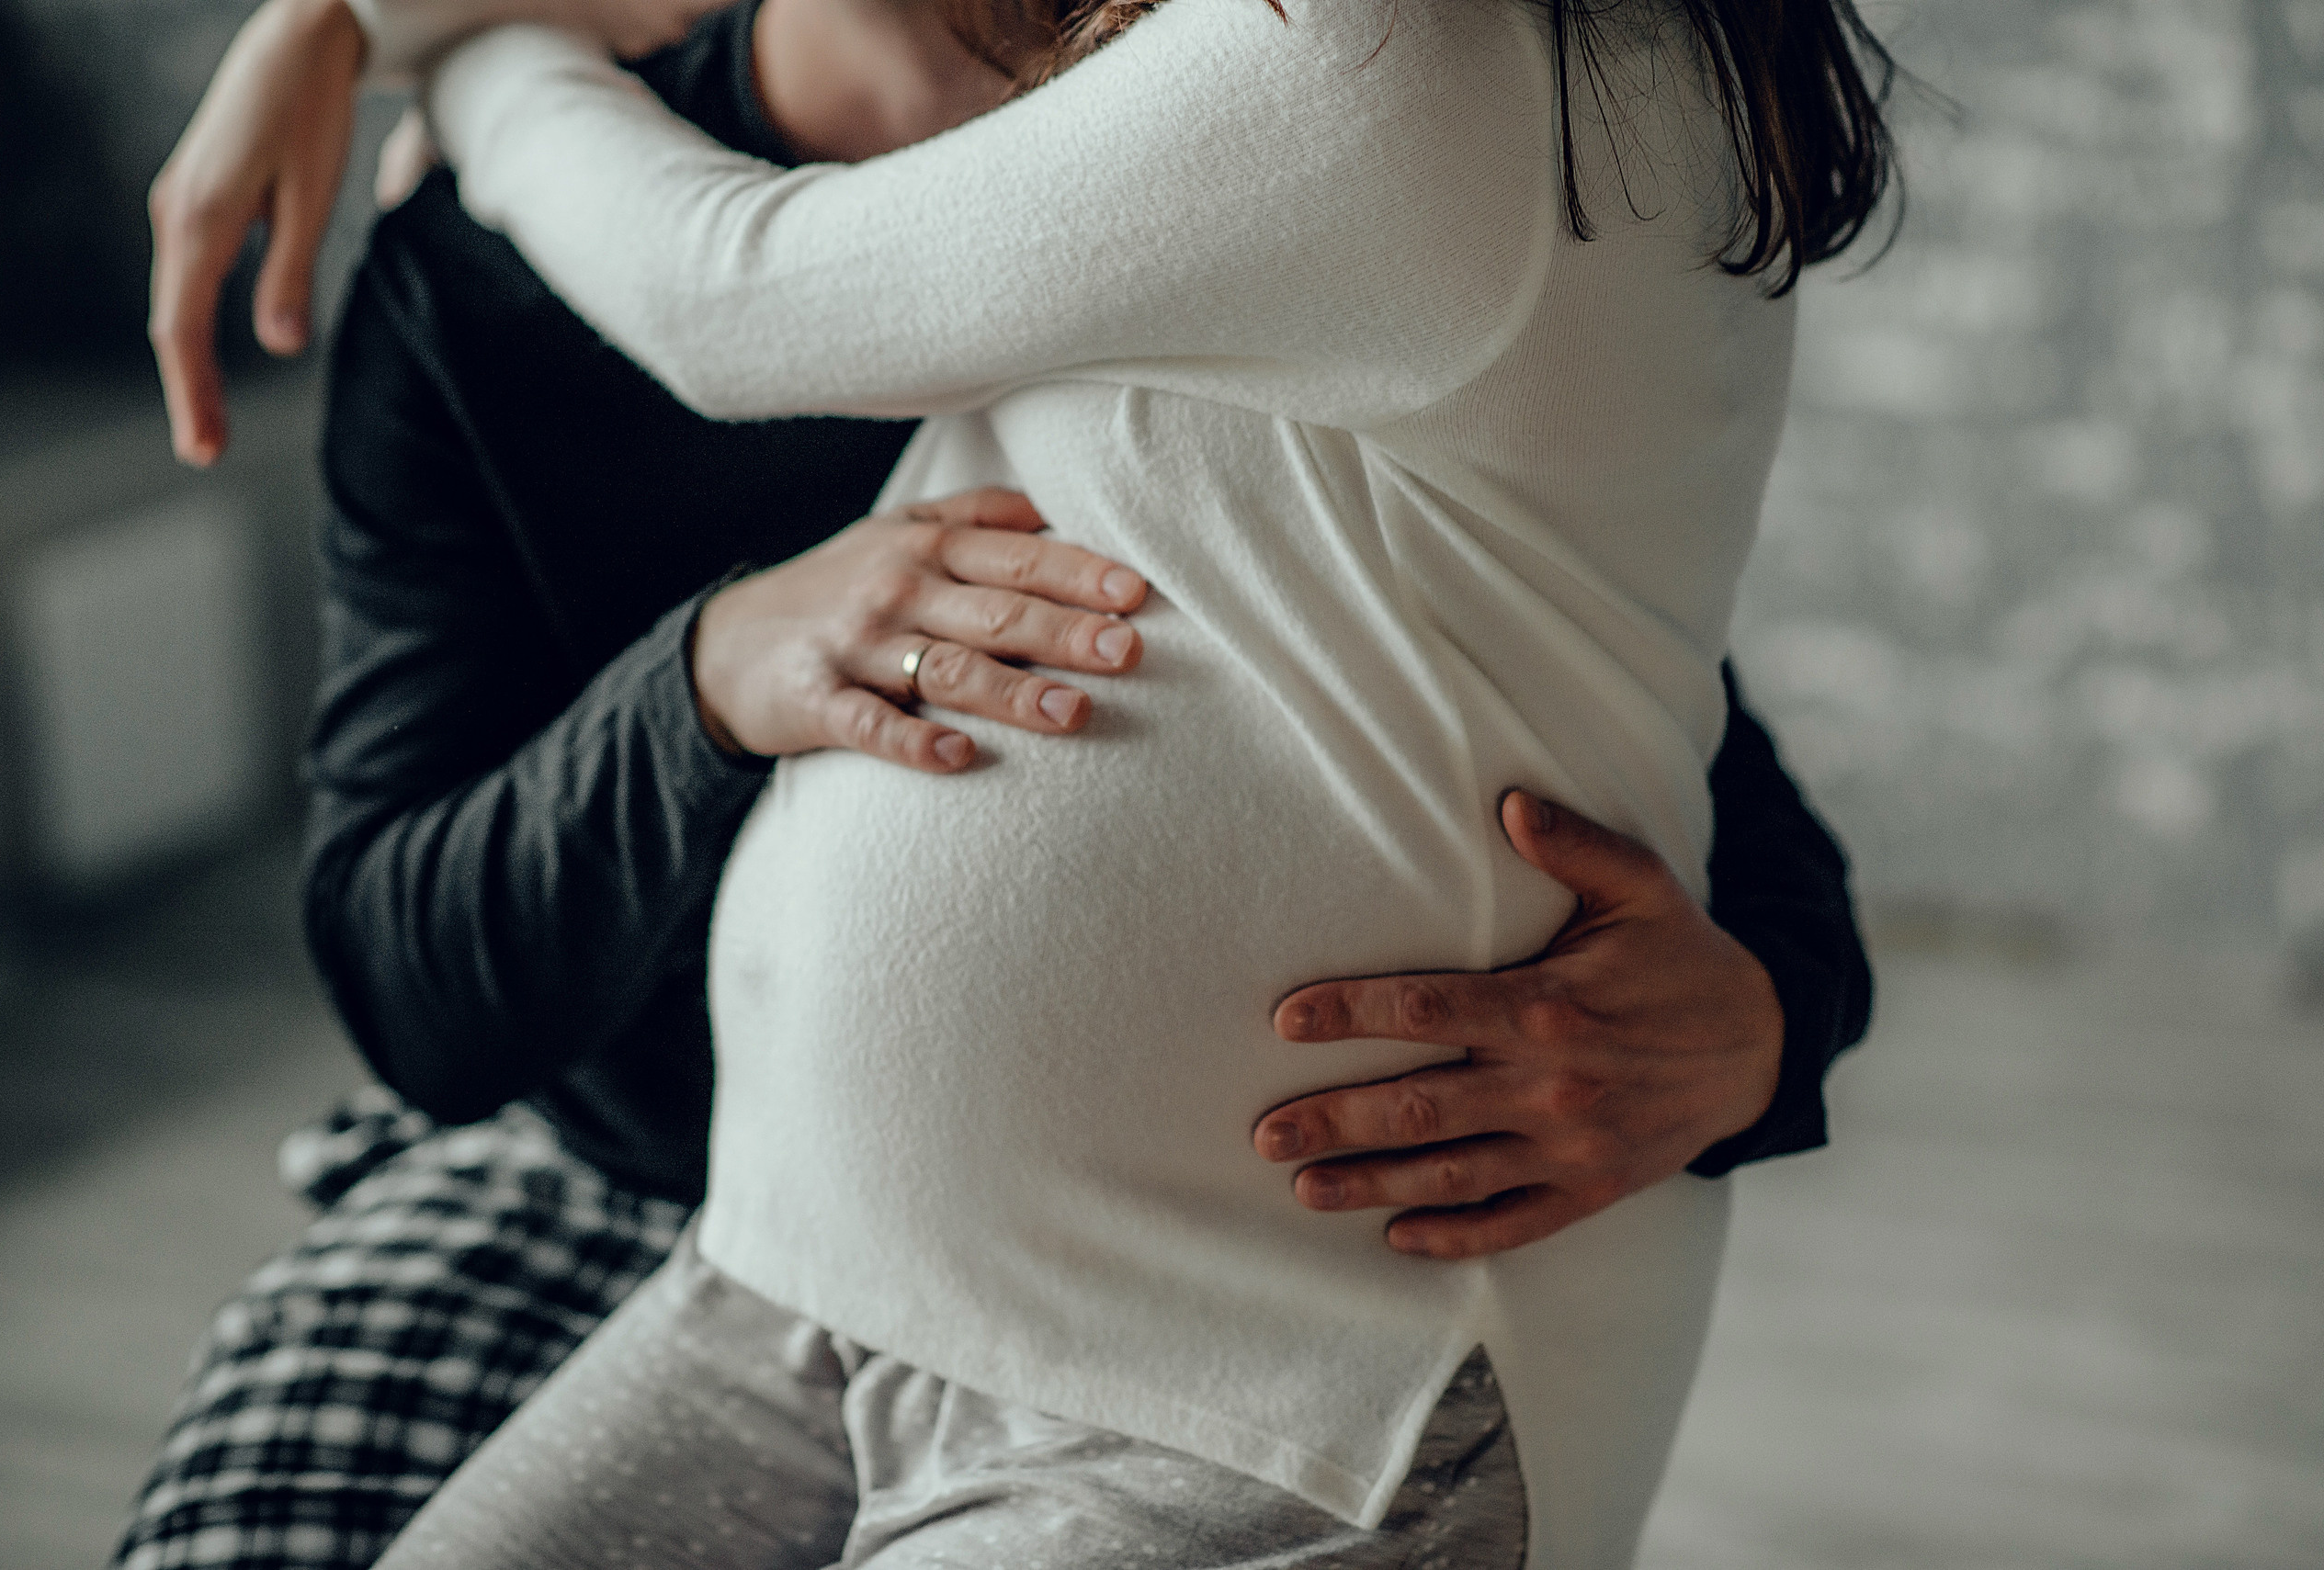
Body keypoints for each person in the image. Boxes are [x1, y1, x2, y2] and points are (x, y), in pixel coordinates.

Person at [115, 0, 1875, 1566]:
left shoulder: (1366, 61)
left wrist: (429, 41)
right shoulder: (485, 285)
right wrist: (714, 676)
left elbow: (732, 297)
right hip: (793, 1251)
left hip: (1258, 1365)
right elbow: (403, 959)